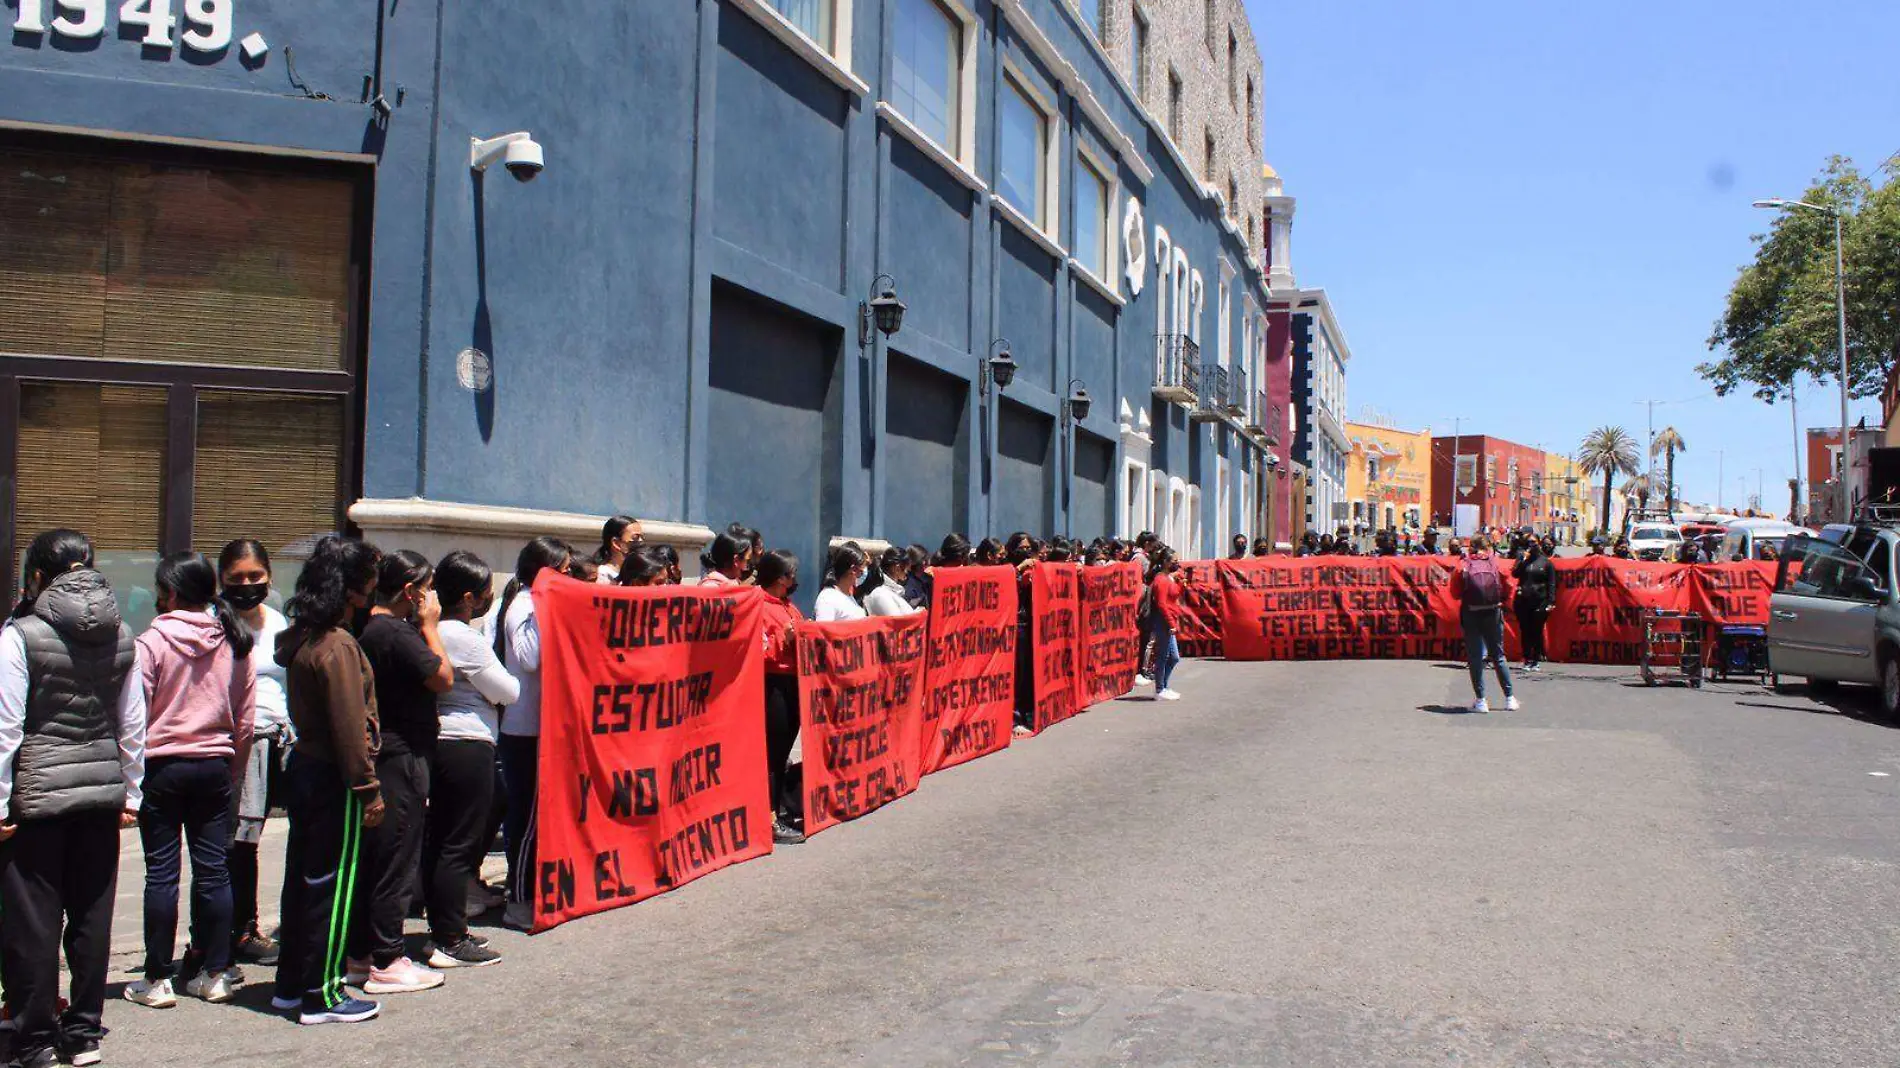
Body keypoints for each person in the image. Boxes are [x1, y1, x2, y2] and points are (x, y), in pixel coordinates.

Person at [0, 529, 147, 1065]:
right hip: (101, 794)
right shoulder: (123, 633)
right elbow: (133, 722)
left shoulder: (20, 635)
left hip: (36, 800)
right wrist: (132, 789)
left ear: (37, 577)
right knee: (90, 917)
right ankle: (83, 1033)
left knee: (33, 923)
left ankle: (34, 1040)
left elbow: (5, 728)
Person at [125, 552, 256, 1009]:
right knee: (214, 870)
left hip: (163, 766)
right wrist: (234, 768)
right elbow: (245, 718)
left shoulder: (151, 642)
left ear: (171, 593)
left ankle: (157, 978)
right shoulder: (234, 639)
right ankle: (215, 973)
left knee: (162, 873)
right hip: (215, 764)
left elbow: (134, 717)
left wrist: (131, 776)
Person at [270, 534, 384, 1026]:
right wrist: (368, 789)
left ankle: (292, 985)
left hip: (309, 770)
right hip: (334, 776)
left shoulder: (304, 636)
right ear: (354, 586)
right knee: (332, 887)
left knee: (305, 880)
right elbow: (348, 727)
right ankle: (324, 993)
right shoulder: (336, 647)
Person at [348, 551, 453, 995]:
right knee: (397, 856)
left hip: (388, 751)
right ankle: (387, 959)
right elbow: (442, 677)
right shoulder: (395, 631)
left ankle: (361, 954)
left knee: (378, 856)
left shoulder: (373, 629)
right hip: (402, 755)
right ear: (410, 591)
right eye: (425, 588)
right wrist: (430, 627)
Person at [423, 551, 512, 970]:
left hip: (442, 742)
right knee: (458, 844)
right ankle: (450, 938)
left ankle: (443, 929)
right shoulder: (462, 637)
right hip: (468, 743)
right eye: (486, 591)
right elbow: (507, 690)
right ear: (470, 597)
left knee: (441, 840)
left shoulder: (431, 630)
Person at [493, 537, 573, 932]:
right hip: (523, 729)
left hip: (542, 725)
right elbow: (530, 658)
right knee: (525, 819)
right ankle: (519, 898)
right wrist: (548, 610)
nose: (568, 578)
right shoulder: (525, 606)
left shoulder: (532, 603)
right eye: (563, 571)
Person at [217, 539, 288, 970]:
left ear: (268, 577)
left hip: (279, 739)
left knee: (253, 837)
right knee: (239, 841)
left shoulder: (277, 622)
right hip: (238, 743)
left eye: (254, 577)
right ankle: (239, 928)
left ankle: (246, 926)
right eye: (237, 579)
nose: (246, 585)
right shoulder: (215, 624)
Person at [755, 551, 806, 844]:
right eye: (790, 574)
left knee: (783, 750)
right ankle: (769, 817)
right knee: (772, 754)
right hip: (772, 684)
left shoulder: (788, 605)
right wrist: (781, 640)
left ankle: (778, 807)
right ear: (778, 578)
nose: (794, 579)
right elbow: (757, 651)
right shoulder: (759, 606)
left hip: (792, 682)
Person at [1449, 534, 1517, 713]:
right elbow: (1510, 586)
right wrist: (1504, 602)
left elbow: (1454, 592)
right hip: (1493, 611)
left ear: (1471, 546)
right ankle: (1509, 698)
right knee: (1498, 655)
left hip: (1471, 612)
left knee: (1475, 657)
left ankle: (1481, 700)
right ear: (1487, 547)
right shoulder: (1496, 563)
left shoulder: (1463, 565)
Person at [1146, 549, 1184, 701]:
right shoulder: (1161, 580)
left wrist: (1182, 584)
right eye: (1174, 561)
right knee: (1163, 656)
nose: (1177, 563)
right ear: (1166, 562)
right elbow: (1162, 604)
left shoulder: (1169, 578)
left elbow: (1174, 595)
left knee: (1174, 657)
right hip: (1164, 622)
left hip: (1169, 621)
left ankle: (1164, 685)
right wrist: (1170, 623)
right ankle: (1159, 689)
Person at [1514, 540, 1556, 672]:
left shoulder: (1546, 563)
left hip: (1540, 601)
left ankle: (1536, 659)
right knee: (1525, 630)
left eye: (1534, 547)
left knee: (1536, 631)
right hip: (1523, 601)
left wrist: (1551, 601)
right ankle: (1527, 658)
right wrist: (1522, 560)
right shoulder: (1524, 561)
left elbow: (1552, 583)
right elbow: (1515, 574)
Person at [814, 545, 870, 622]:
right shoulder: (828, 598)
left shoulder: (847, 595)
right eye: (860, 572)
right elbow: (824, 630)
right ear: (853, 570)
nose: (861, 576)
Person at [865, 548, 920, 616]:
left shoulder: (892, 591)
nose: (907, 572)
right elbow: (895, 622)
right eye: (907, 568)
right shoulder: (880, 593)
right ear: (897, 568)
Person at [592, 516, 641, 585]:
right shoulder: (602, 576)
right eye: (635, 538)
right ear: (616, 543)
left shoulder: (637, 573)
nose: (640, 541)